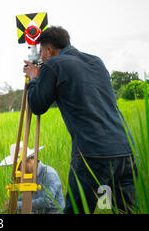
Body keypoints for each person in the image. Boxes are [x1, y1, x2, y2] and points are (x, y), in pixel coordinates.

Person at [22, 26, 138, 214]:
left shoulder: (53, 65)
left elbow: (37, 106)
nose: (41, 57)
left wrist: (35, 77)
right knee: (126, 211)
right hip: (126, 150)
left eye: (41, 52)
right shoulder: (96, 61)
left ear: (49, 50)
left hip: (92, 153)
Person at [0, 143, 64, 214]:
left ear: (28, 160)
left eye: (19, 167)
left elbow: (46, 202)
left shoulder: (49, 174)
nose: (19, 171)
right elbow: (27, 196)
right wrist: (12, 203)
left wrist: (16, 205)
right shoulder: (29, 176)